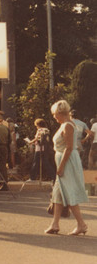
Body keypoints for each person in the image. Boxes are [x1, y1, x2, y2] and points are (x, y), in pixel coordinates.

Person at [44, 100, 88, 236]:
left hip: (67, 162)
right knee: (58, 193)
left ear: (60, 113)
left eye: (54, 114)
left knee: (68, 192)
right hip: (65, 160)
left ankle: (81, 224)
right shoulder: (65, 124)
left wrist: (61, 166)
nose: (54, 117)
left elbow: (69, 148)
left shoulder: (67, 125)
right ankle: (55, 224)